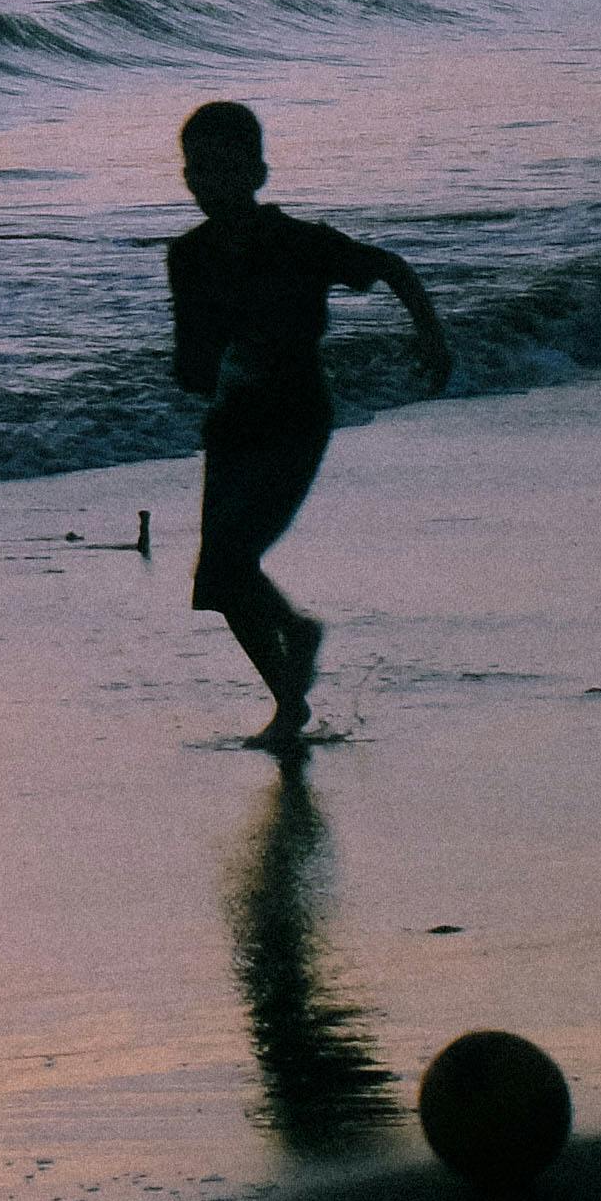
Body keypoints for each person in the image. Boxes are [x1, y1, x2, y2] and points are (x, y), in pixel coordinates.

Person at [169, 100, 451, 746]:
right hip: (233, 423)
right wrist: (215, 368)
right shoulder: (188, 256)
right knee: (220, 573)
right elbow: (190, 363)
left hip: (298, 414)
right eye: (194, 169)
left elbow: (390, 268)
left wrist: (432, 336)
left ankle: (297, 643)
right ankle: (288, 698)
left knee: (234, 558)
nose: (204, 182)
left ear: (258, 173)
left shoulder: (300, 242)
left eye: (219, 167)